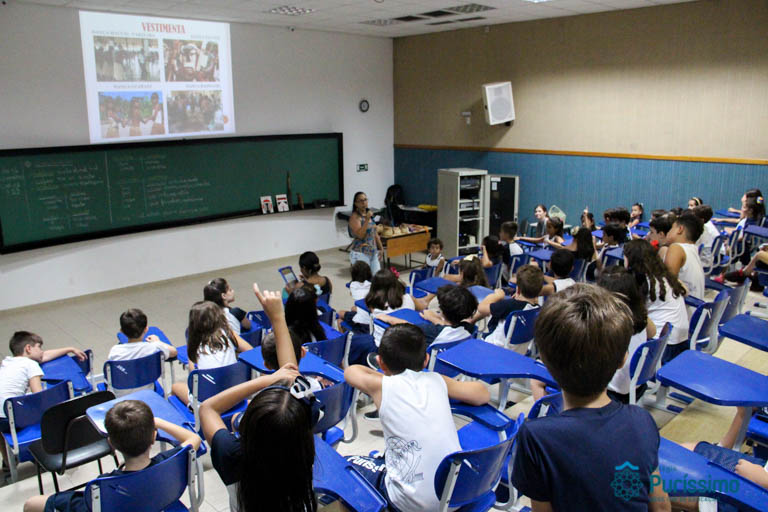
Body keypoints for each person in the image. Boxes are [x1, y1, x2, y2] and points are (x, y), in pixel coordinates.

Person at [511, 284, 671, 512]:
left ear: (544, 359)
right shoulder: (642, 420)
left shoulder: (537, 437)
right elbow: (661, 506)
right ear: (623, 359)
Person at [343, 323, 490, 512]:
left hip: (409, 504)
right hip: (454, 497)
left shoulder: (381, 386)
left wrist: (384, 376)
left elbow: (351, 371)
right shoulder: (437, 380)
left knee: (345, 466)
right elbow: (482, 394)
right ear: (426, 360)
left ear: (381, 363)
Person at [200, 284, 315, 512]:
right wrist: (278, 318)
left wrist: (266, 380)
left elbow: (207, 408)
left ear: (249, 426)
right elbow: (292, 377)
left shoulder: (232, 454)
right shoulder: (301, 442)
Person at [24, 400, 201, 512]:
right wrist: (159, 422)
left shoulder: (102, 487)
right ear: (154, 437)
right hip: (161, 504)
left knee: (32, 503)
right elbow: (194, 438)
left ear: (111, 444)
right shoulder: (171, 460)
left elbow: (34, 505)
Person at [0, 332, 85, 468]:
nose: (42, 351)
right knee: (44, 411)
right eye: (39, 347)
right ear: (28, 348)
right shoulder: (30, 365)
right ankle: (45, 453)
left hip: (2, 419)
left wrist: (69, 349)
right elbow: (38, 396)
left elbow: (43, 356)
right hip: (12, 419)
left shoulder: (7, 362)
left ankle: (8, 462)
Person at [171, 301, 253, 406]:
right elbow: (250, 350)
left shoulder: (195, 347)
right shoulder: (228, 334)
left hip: (207, 405)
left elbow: (193, 376)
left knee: (175, 387)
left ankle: (192, 414)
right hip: (235, 397)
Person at [624, 239, 689, 363]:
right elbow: (686, 291)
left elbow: (635, 313)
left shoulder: (641, 282)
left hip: (661, 346)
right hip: (682, 340)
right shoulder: (664, 275)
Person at [598, 267, 656, 404]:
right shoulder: (640, 315)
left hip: (614, 391)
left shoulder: (609, 323)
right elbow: (653, 333)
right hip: (637, 384)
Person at [106, 308, 177, 396]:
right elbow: (174, 352)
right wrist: (158, 342)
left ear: (121, 331)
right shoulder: (153, 348)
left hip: (121, 398)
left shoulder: (115, 351)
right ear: (146, 329)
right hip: (147, 393)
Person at [377, 285, 477, 346]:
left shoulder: (431, 331)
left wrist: (387, 318)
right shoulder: (470, 328)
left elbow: (406, 325)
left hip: (428, 367)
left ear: (441, 309)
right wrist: (432, 318)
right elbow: (448, 327)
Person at [474, 264, 543, 348]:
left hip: (493, 347)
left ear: (518, 290)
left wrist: (496, 296)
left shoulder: (509, 305)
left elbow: (481, 308)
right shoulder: (538, 311)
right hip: (517, 351)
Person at [367, 268, 425, 347]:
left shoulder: (375, 305)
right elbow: (423, 308)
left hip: (384, 346)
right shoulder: (409, 298)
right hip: (410, 342)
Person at [663, 212, 705, 299]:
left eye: (671, 228)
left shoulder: (676, 248)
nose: (668, 232)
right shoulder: (693, 249)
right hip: (695, 304)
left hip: (684, 305)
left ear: (680, 229)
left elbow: (667, 284)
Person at [348, 191, 383, 274]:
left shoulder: (369, 215)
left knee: (377, 278)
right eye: (361, 201)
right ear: (356, 203)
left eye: (365, 200)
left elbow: (374, 233)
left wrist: (381, 248)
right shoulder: (354, 217)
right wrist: (367, 220)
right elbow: (360, 235)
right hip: (361, 253)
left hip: (373, 252)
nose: (364, 203)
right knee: (363, 279)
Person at [338, 260, 372, 334]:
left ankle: (345, 338)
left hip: (364, 323)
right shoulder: (374, 284)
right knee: (353, 308)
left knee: (339, 316)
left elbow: (352, 292)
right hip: (372, 318)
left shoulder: (353, 286)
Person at [692, 205, 721, 270]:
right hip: (707, 259)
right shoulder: (706, 229)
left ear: (701, 220)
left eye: (693, 216)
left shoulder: (699, 232)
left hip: (702, 262)